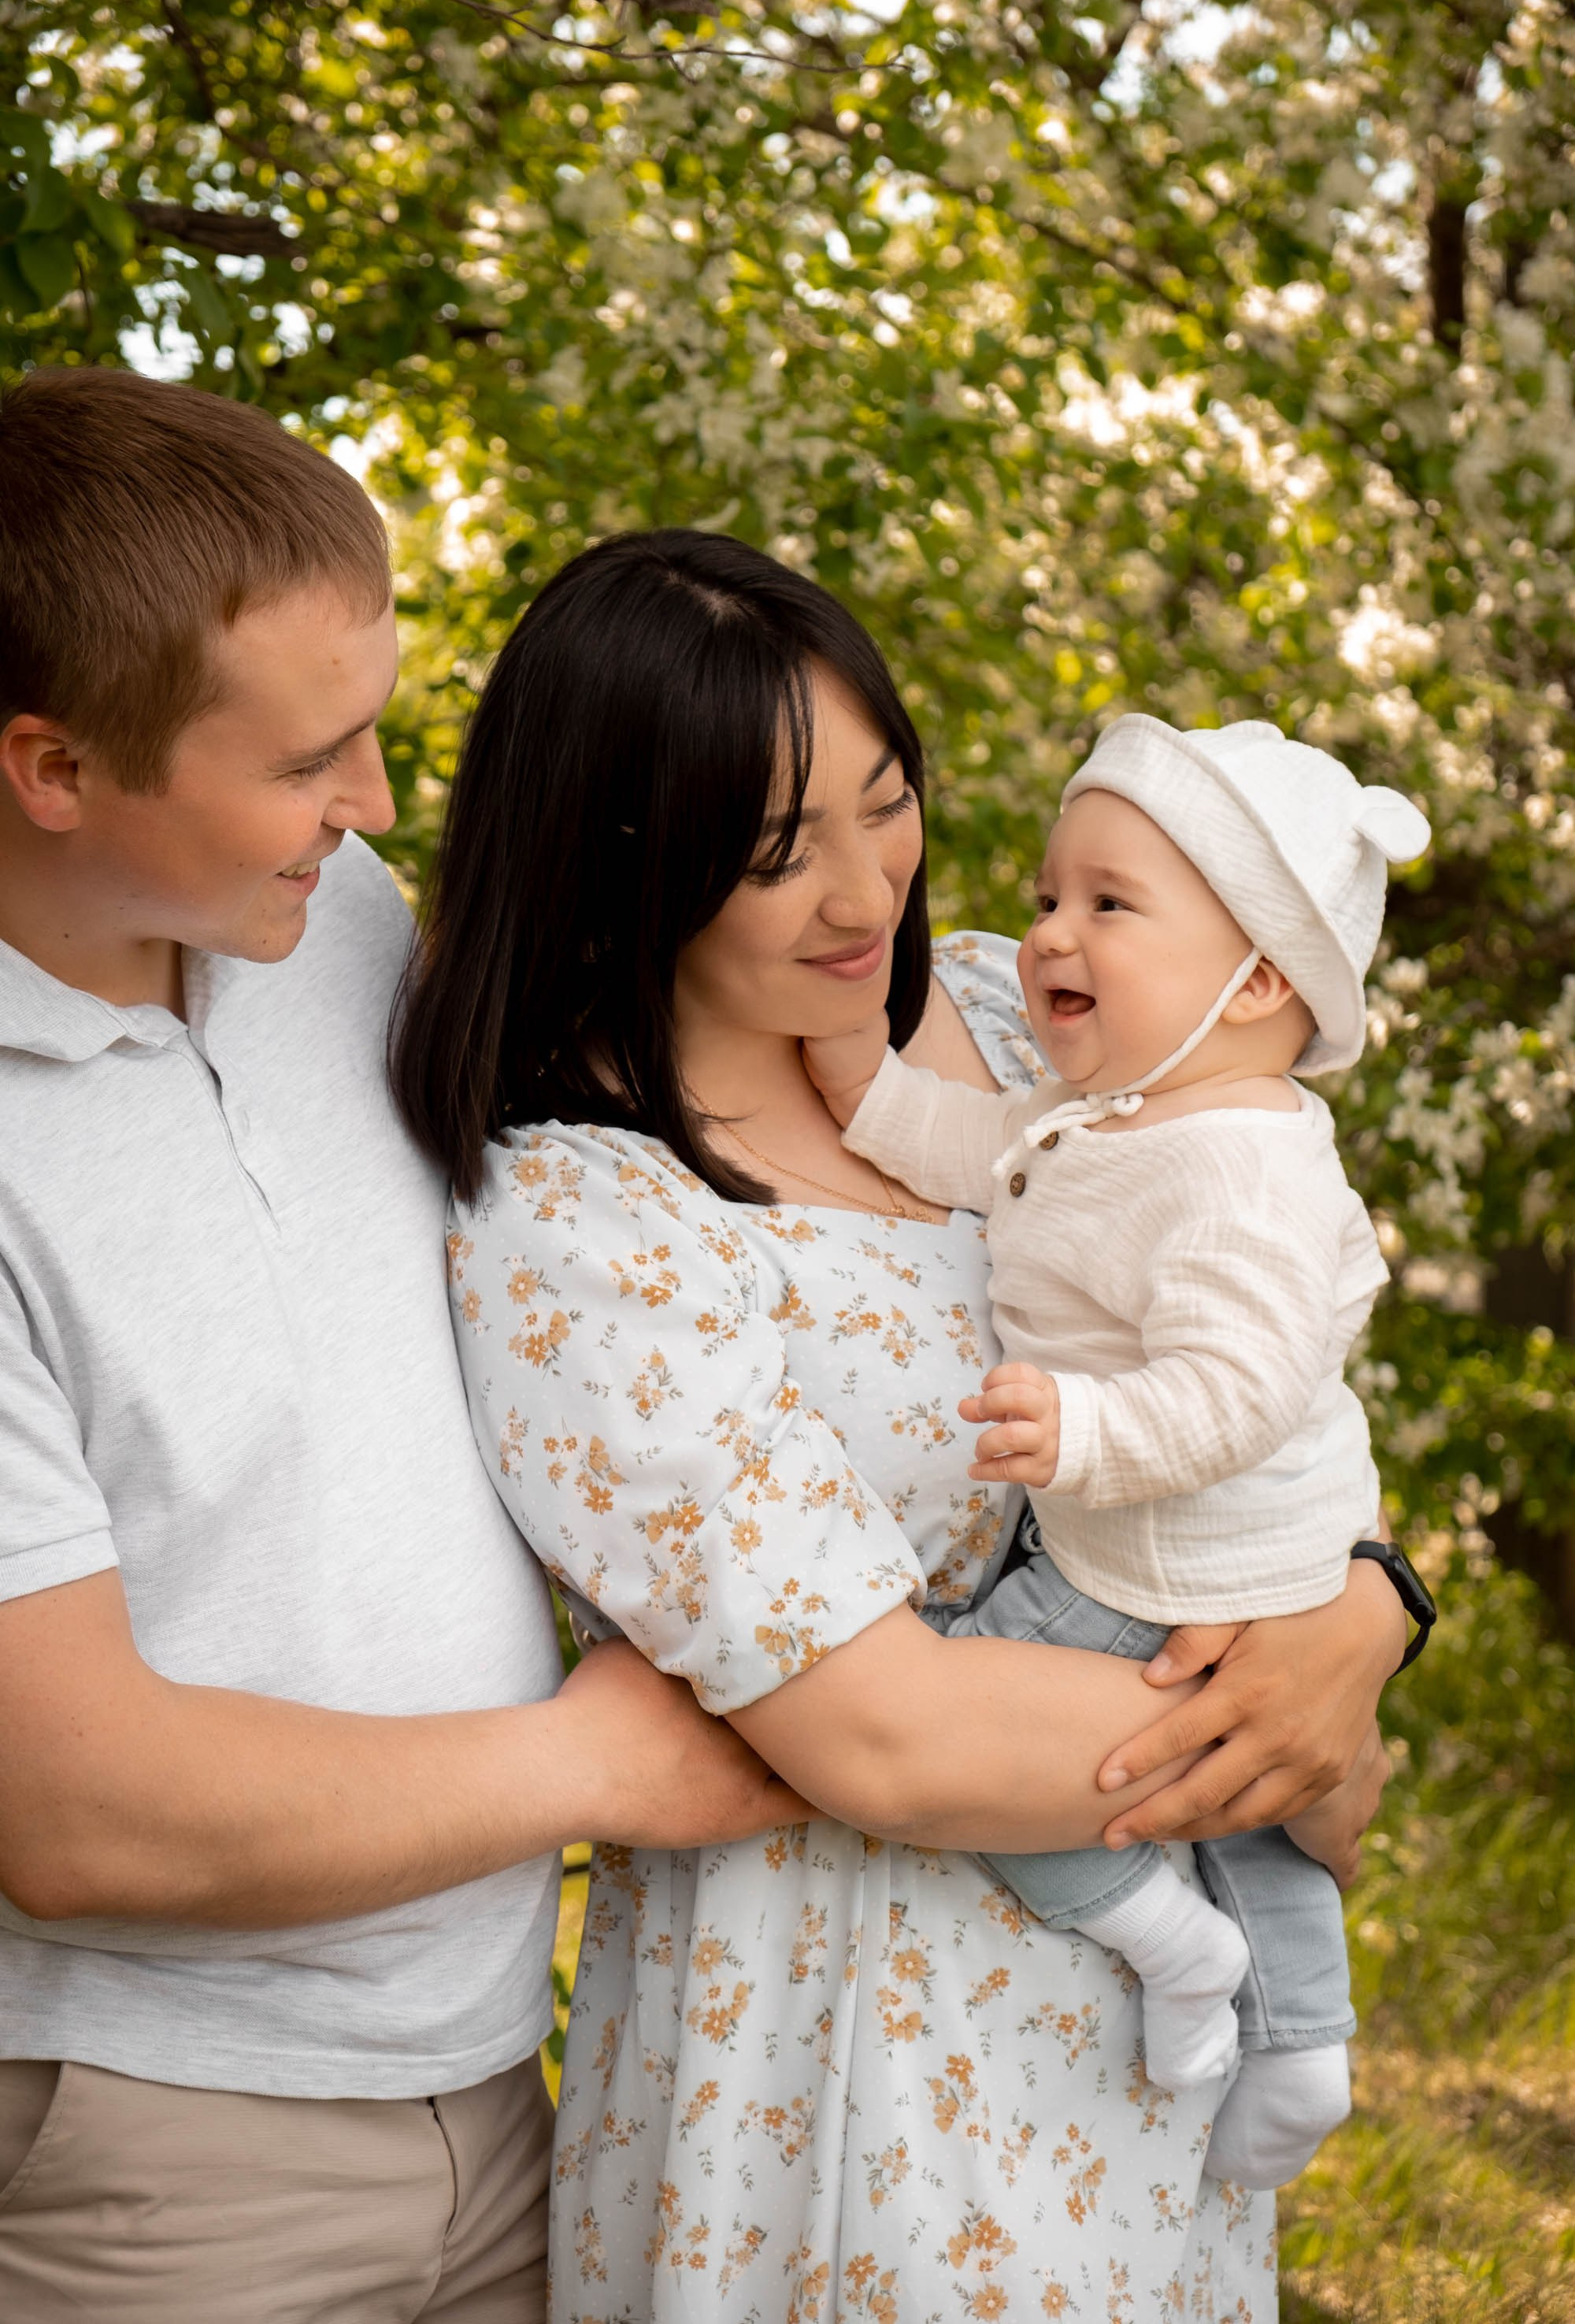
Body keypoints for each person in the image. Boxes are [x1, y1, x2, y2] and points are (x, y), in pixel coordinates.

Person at [391, 528, 1409, 2320]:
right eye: (778, 851)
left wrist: (1371, 1605)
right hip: (851, 2056)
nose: (867, 892)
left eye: (886, 802)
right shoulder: (587, 1218)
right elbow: (883, 1737)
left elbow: (1263, 1344)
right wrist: (1287, 1710)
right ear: (623, 856)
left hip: (1131, 2054)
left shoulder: (1032, 1021)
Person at [0, 370, 801, 2322]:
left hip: (508, 2087)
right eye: (305, 762)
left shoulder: (325, 920)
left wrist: (1334, 1574)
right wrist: (589, 1760)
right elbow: (76, 1810)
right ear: (52, 770)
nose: (369, 806)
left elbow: (775, 1165)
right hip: (163, 2164)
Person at [803, 714, 1436, 2189]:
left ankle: (1174, 1945)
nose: (1049, 934)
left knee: (987, 1739)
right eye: (1045, 898)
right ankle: (1309, 2035)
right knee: (1248, 1797)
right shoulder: (1123, 1110)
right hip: (1218, 1557)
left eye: (1108, 904)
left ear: (1262, 976)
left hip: (1158, 1556)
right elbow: (978, 1150)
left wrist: (1080, 1429)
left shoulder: (1239, 1163)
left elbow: (1241, 1389)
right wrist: (856, 1075)